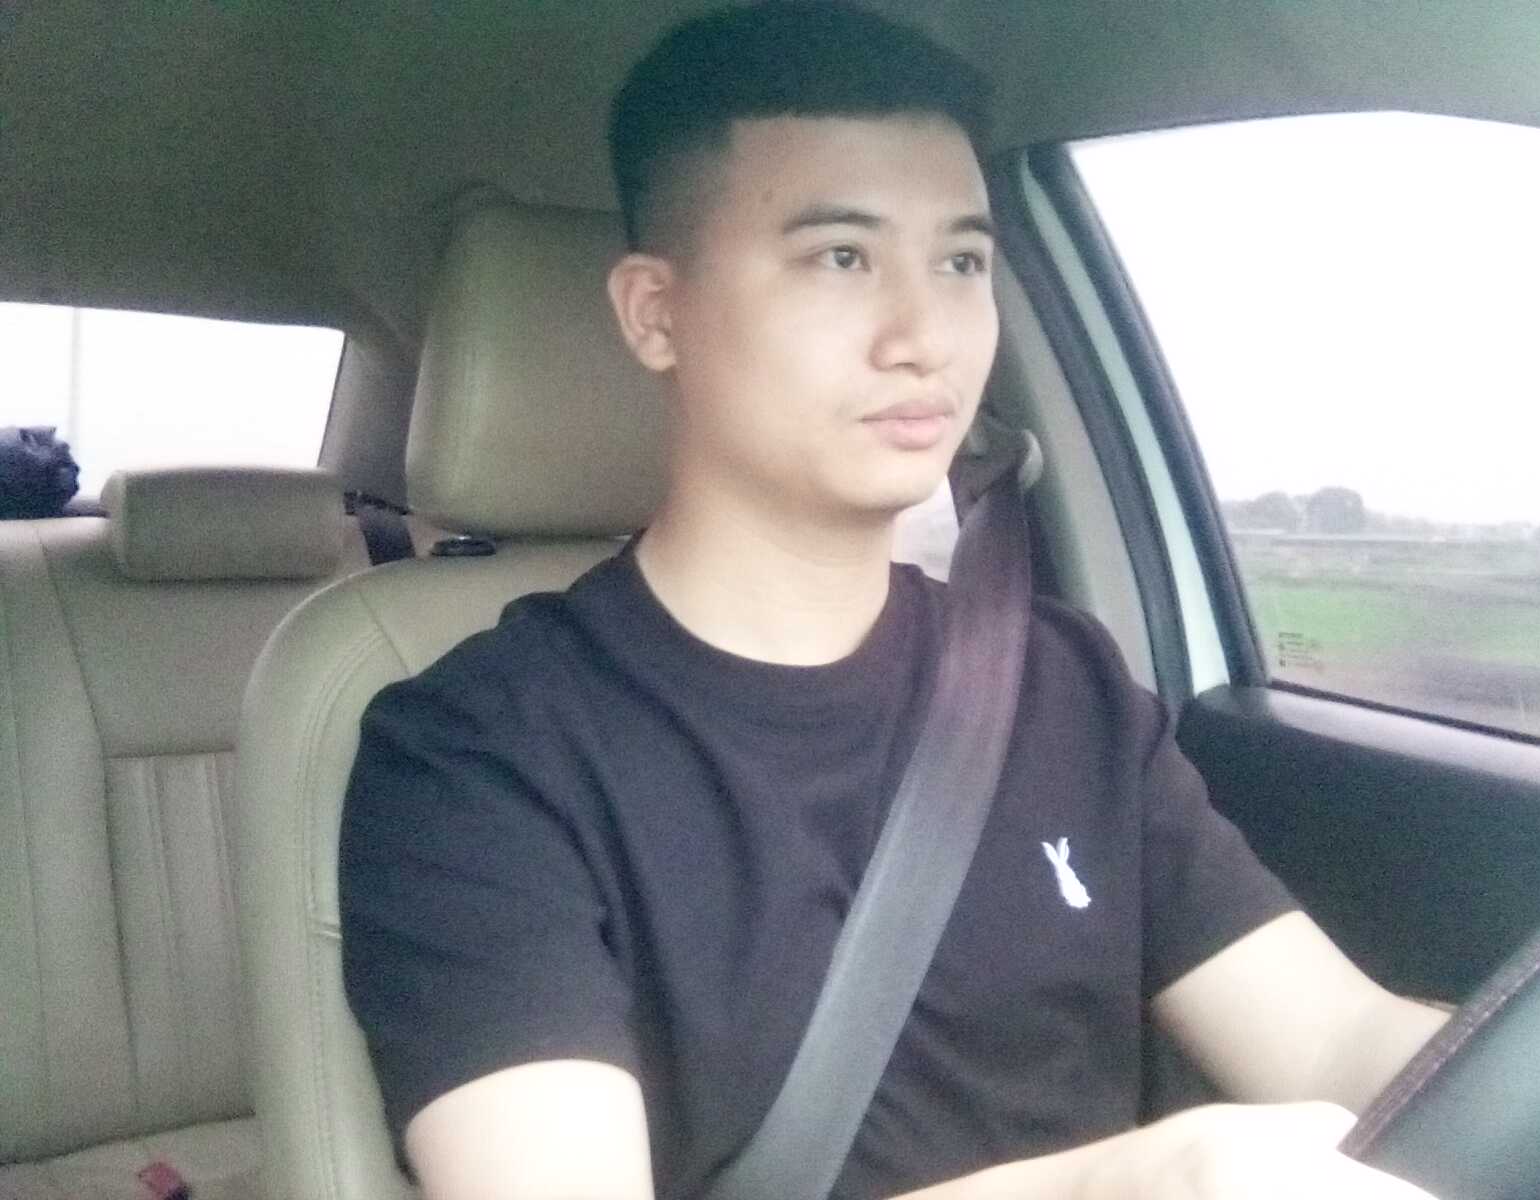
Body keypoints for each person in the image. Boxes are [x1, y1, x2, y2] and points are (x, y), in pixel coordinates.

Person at [338, 5, 1450, 1197]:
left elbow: (1334, 1043)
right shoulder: (474, 756)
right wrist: (1143, 1180)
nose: (925, 338)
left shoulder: (1057, 687)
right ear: (655, 313)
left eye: (961, 263)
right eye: (841, 257)